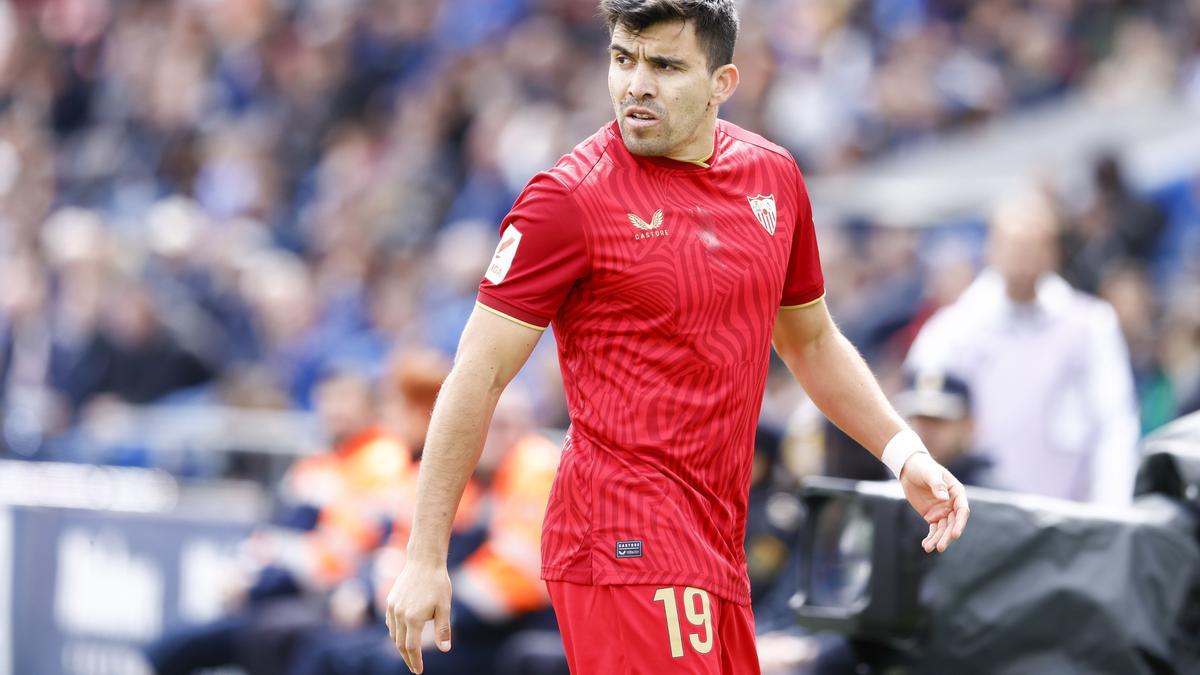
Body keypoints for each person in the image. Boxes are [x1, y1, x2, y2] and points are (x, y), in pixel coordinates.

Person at [385, 2, 970, 674]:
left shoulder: (774, 179)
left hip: (717, 544)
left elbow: (811, 341)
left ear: (724, 82)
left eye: (664, 65)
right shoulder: (568, 199)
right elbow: (476, 375)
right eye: (622, 58)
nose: (636, 83)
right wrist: (426, 555)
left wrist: (904, 453)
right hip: (619, 537)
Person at [906, 188, 1140, 506]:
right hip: (975, 512)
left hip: (1070, 514)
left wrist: (1111, 509)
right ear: (991, 248)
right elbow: (918, 420)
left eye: (1035, 244)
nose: (1024, 256)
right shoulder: (955, 329)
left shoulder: (1089, 325)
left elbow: (1114, 424)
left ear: (1054, 250)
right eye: (1014, 244)